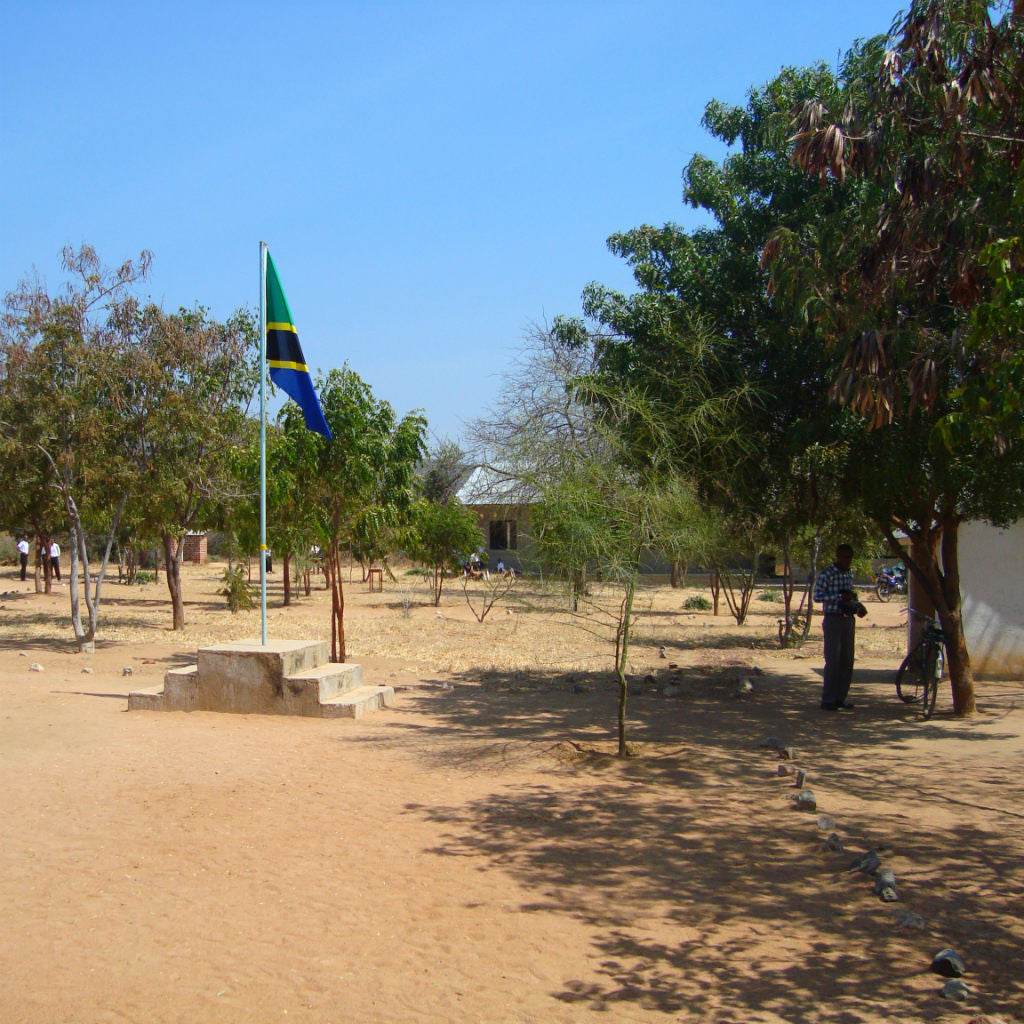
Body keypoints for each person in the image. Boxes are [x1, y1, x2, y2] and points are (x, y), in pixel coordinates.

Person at [812, 543, 867, 711]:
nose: (847, 560)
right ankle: (828, 699)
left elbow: (850, 595)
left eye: (850, 557)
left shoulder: (849, 574)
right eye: (844, 557)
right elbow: (817, 597)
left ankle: (840, 698)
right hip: (833, 620)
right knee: (833, 661)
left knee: (847, 661)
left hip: (848, 620)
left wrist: (857, 605)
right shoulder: (826, 574)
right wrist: (839, 598)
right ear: (837, 556)